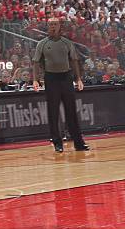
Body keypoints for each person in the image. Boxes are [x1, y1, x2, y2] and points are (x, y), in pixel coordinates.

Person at [33, 18, 89, 153]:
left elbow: (74, 61)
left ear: (59, 26)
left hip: (66, 78)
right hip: (51, 78)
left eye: (55, 24)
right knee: (53, 112)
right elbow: (36, 62)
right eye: (50, 24)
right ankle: (57, 142)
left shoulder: (67, 43)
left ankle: (78, 143)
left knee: (71, 111)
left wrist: (78, 79)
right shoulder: (42, 44)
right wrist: (36, 80)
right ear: (47, 26)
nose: (52, 26)